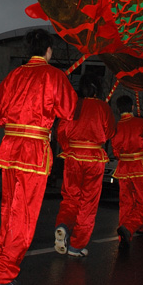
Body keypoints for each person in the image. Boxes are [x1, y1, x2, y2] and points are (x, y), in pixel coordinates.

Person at [0, 28, 77, 285]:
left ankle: (2, 262)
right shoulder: (54, 76)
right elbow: (70, 111)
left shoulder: (14, 75)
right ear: (48, 51)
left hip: (10, 148)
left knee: (8, 210)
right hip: (34, 150)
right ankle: (3, 272)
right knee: (23, 214)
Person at [54, 74, 116, 257]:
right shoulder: (103, 107)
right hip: (94, 158)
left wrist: (69, 147)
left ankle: (63, 224)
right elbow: (110, 132)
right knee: (88, 203)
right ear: (98, 89)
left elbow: (61, 130)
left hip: (73, 156)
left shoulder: (73, 105)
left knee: (70, 197)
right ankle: (76, 245)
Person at [111, 95, 143, 248]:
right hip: (138, 167)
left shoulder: (116, 126)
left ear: (119, 109)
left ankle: (124, 238)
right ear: (132, 107)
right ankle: (129, 227)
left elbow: (116, 152)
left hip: (124, 167)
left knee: (126, 203)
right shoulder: (139, 122)